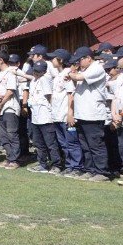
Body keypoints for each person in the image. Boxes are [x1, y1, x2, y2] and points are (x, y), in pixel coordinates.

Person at [46, 49, 83, 178]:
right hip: (57, 115)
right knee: (63, 143)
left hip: (65, 115)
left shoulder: (68, 74)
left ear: (60, 60)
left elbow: (70, 95)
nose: (52, 60)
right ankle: (69, 165)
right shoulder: (58, 75)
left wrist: (69, 113)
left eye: (54, 58)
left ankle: (77, 166)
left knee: (72, 142)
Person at [0, 51, 24, 169]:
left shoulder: (11, 73)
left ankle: (15, 160)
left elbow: (10, 91)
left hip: (10, 107)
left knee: (12, 134)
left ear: (1, 60)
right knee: (3, 135)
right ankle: (9, 157)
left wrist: (1, 104)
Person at [27, 61, 60, 173]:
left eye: (38, 71)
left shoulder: (45, 79)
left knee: (50, 143)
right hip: (35, 116)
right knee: (38, 142)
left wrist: (52, 112)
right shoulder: (33, 81)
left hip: (45, 115)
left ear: (44, 71)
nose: (36, 73)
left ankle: (57, 164)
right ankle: (43, 164)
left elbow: (49, 97)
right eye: (35, 70)